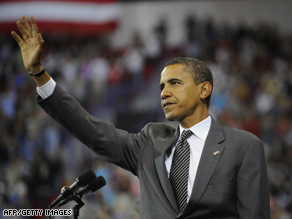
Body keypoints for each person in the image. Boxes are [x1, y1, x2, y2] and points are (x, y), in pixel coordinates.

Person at [12, 16, 270, 219]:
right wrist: (39, 74)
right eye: (161, 87)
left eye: (175, 83)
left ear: (204, 89)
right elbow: (93, 131)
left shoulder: (243, 147)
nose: (165, 93)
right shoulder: (150, 143)